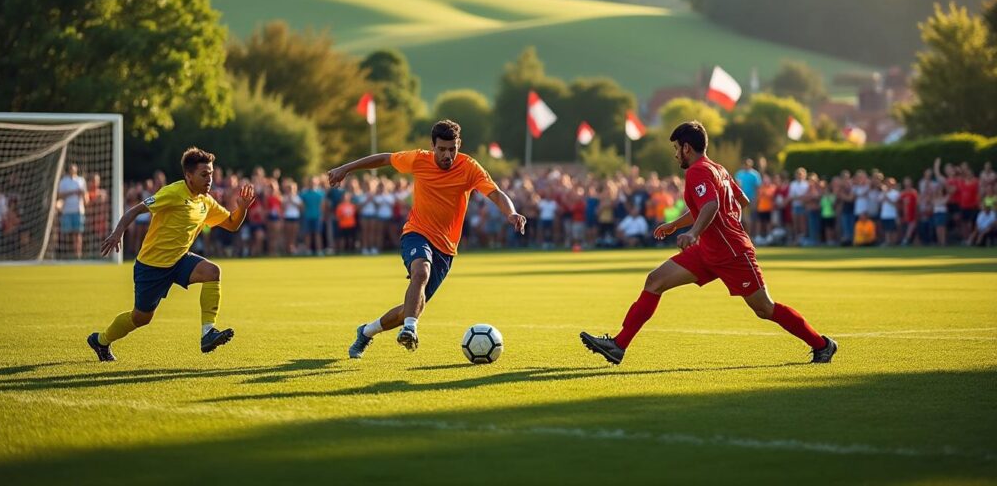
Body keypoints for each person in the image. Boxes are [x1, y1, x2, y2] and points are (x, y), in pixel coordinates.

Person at [580, 121, 836, 365]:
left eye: (676, 148)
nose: (676, 154)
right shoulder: (718, 168)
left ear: (686, 148)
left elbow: (711, 205)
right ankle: (619, 345)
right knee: (655, 281)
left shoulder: (697, 171)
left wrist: (694, 232)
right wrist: (676, 226)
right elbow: (740, 201)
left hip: (732, 253)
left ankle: (822, 344)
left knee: (764, 308)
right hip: (709, 250)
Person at [333, 120, 526, 358]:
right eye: (442, 149)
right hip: (417, 232)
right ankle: (411, 329)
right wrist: (346, 168)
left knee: (410, 308)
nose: (447, 155)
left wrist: (512, 213)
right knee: (421, 272)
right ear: (433, 146)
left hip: (446, 248)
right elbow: (385, 158)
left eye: (452, 149)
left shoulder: (469, 167)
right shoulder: (418, 159)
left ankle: (367, 331)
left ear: (459, 145)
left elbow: (495, 193)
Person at [86, 148, 255, 362]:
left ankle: (208, 333)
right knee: (141, 317)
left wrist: (243, 209)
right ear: (188, 176)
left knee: (212, 272)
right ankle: (100, 340)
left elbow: (232, 224)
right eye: (204, 175)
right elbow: (135, 210)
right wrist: (118, 232)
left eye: (211, 174)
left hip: (179, 260)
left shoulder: (205, 201)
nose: (209, 179)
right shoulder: (173, 192)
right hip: (151, 266)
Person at [57, 163, 88, 259]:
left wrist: (83, 196)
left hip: (78, 210)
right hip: (66, 211)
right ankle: (66, 255)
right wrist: (72, 192)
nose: (72, 170)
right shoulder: (63, 181)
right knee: (66, 234)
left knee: (78, 233)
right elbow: (59, 196)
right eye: (70, 169)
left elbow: (85, 196)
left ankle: (78, 254)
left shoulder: (81, 180)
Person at [734, 158, 762, 234]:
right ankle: (744, 233)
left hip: (752, 198)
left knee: (753, 217)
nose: (747, 165)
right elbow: (736, 185)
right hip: (742, 198)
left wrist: (757, 198)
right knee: (742, 217)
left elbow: (758, 188)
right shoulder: (739, 174)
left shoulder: (755, 174)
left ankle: (754, 234)